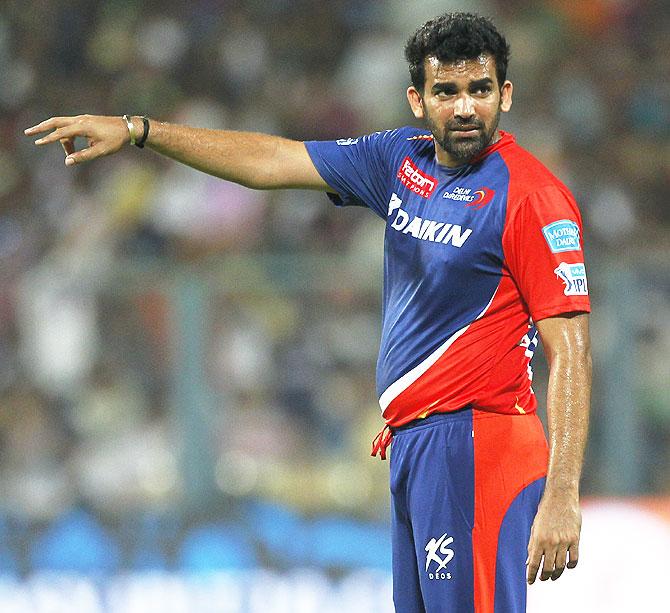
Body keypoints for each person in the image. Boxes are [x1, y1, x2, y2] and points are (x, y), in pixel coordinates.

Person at [26, 11, 591, 613]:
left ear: (504, 93)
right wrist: (141, 131)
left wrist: (562, 491)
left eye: (479, 90)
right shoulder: (402, 161)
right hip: (416, 446)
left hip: (480, 445)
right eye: (446, 91)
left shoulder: (532, 198)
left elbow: (572, 350)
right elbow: (274, 162)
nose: (464, 108)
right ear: (417, 100)